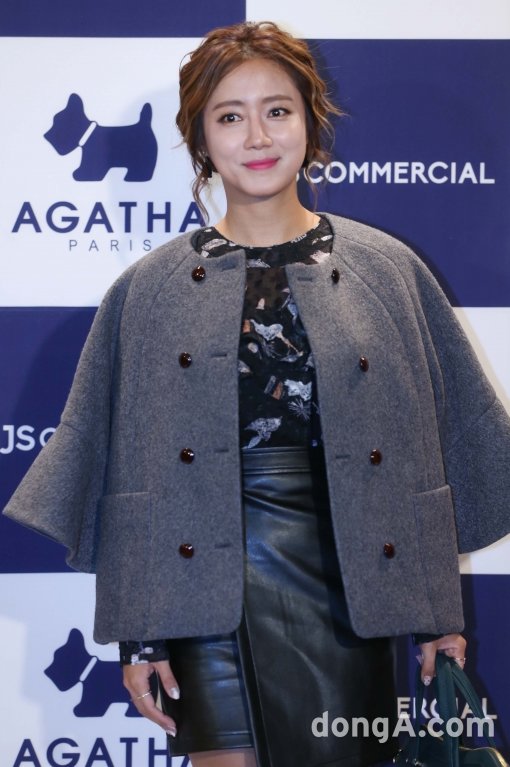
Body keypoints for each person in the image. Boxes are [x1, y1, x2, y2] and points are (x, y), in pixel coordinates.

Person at [4, 19, 510, 767]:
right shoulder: (150, 288)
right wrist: (139, 634)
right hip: (200, 588)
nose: (258, 136)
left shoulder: (386, 270)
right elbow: (133, 471)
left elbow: (420, 452)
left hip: (348, 585)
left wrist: (438, 614)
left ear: (310, 121)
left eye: (277, 110)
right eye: (229, 116)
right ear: (200, 139)